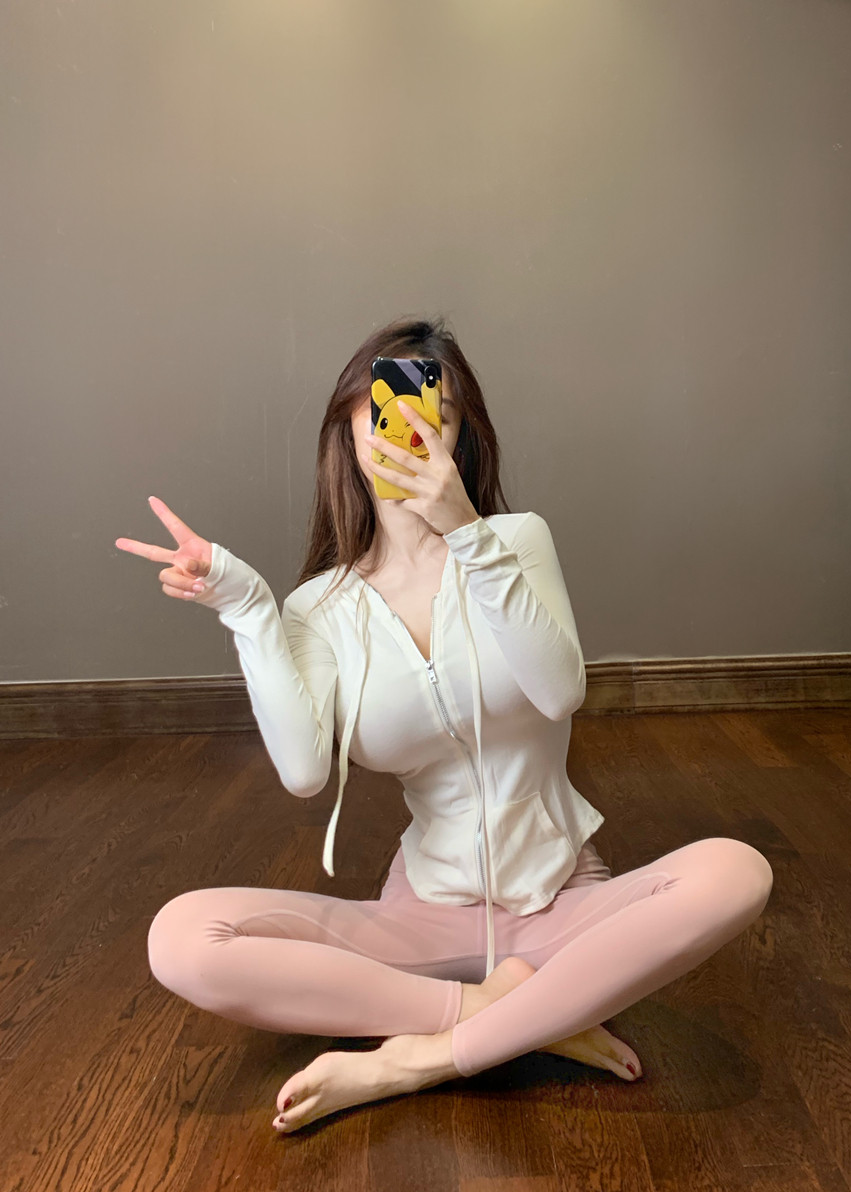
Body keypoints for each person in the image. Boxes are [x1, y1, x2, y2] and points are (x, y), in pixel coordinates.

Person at [115, 318, 774, 1135]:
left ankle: (417, 1059)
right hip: (422, 914)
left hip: (561, 900)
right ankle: (512, 1013)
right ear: (349, 431)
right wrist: (250, 611)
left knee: (736, 872)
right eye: (382, 409)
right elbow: (305, 773)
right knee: (180, 937)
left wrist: (466, 532)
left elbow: (559, 691)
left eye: (439, 411)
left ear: (462, 436)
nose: (411, 426)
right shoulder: (319, 607)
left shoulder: (515, 542)